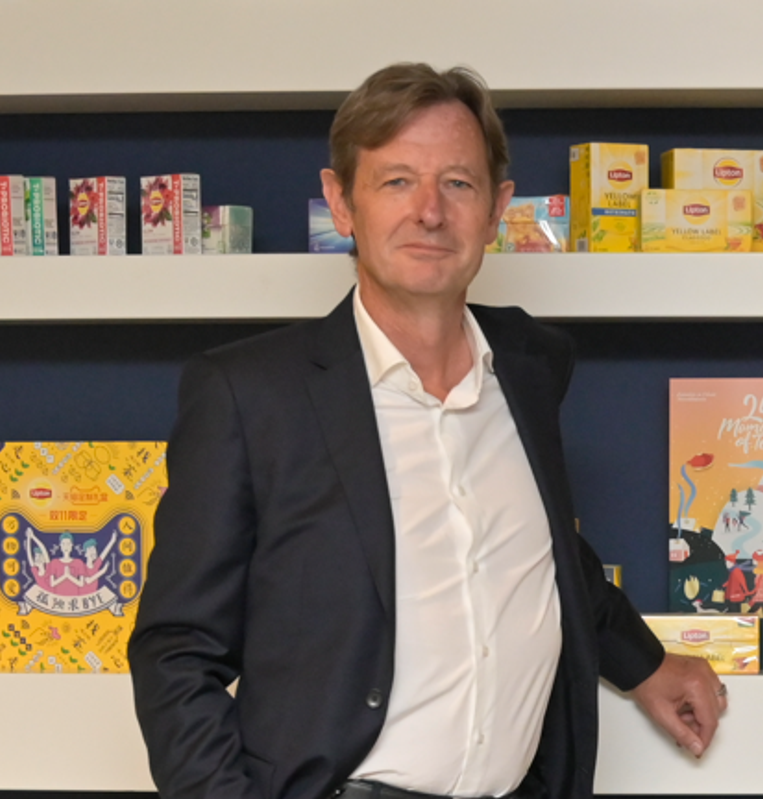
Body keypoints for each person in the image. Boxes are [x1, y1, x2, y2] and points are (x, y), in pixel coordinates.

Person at [129, 62, 726, 799]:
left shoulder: (530, 367)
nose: (430, 212)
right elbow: (176, 653)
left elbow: (542, 550)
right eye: (397, 181)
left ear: (497, 208)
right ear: (341, 202)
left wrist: (647, 664)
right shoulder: (251, 395)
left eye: (459, 183)